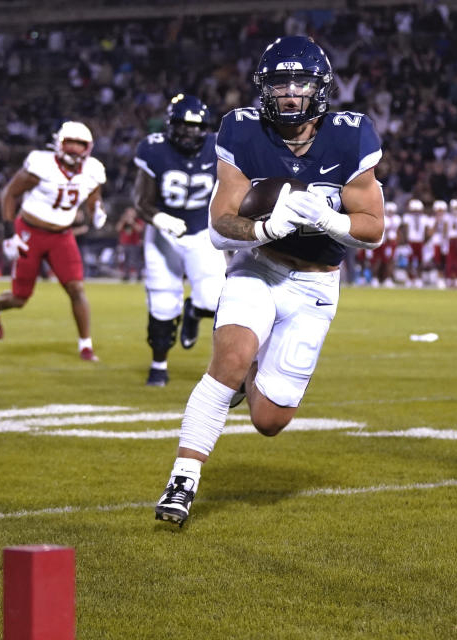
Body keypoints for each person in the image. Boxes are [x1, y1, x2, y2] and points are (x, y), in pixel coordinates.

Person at [155, 36, 384, 526]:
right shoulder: (242, 129)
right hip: (258, 266)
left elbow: (373, 228)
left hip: (316, 285)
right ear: (264, 87)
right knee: (228, 360)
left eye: (300, 82)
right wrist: (265, 228)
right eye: (280, 82)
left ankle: (254, 375)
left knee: (270, 421)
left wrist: (329, 219)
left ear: (320, 87)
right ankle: (182, 480)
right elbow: (220, 223)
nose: (289, 93)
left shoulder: (352, 135)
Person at [0, 121, 107, 361]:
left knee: (77, 288)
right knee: (19, 298)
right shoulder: (42, 164)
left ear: (88, 148)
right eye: (70, 143)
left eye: (80, 145)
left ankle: (85, 346)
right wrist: (9, 235)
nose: (74, 149)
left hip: (62, 235)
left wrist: (97, 210)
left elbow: (93, 196)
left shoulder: (93, 170)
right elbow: (9, 194)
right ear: (59, 143)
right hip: (30, 231)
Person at [132, 94, 226, 386]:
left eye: (196, 127)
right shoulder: (153, 149)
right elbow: (141, 200)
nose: (189, 132)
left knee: (215, 300)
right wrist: (161, 219)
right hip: (163, 235)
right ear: (170, 125)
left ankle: (194, 311)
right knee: (162, 303)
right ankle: (158, 365)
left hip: (201, 233)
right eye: (183, 126)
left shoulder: (219, 147)